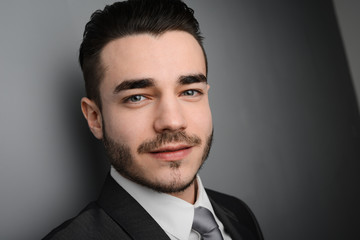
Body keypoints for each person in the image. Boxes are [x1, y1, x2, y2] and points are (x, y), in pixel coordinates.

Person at [44, 0, 263, 239]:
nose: (172, 121)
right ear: (95, 118)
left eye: (190, 92)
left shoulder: (238, 213)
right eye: (137, 97)